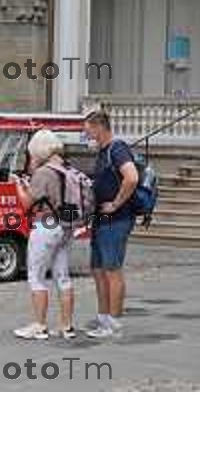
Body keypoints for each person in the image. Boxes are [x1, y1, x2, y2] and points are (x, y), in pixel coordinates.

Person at [12, 129, 76, 340]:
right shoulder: (66, 169)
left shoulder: (44, 172)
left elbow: (26, 203)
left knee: (36, 276)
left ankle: (39, 325)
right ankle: (66, 327)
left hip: (46, 226)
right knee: (62, 277)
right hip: (65, 225)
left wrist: (18, 186)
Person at [84, 110, 138, 338]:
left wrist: (115, 204)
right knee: (98, 269)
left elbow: (132, 177)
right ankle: (103, 317)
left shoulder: (117, 148)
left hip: (116, 219)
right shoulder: (103, 151)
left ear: (99, 127)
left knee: (112, 270)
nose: (87, 135)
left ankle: (113, 323)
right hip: (101, 219)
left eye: (88, 131)